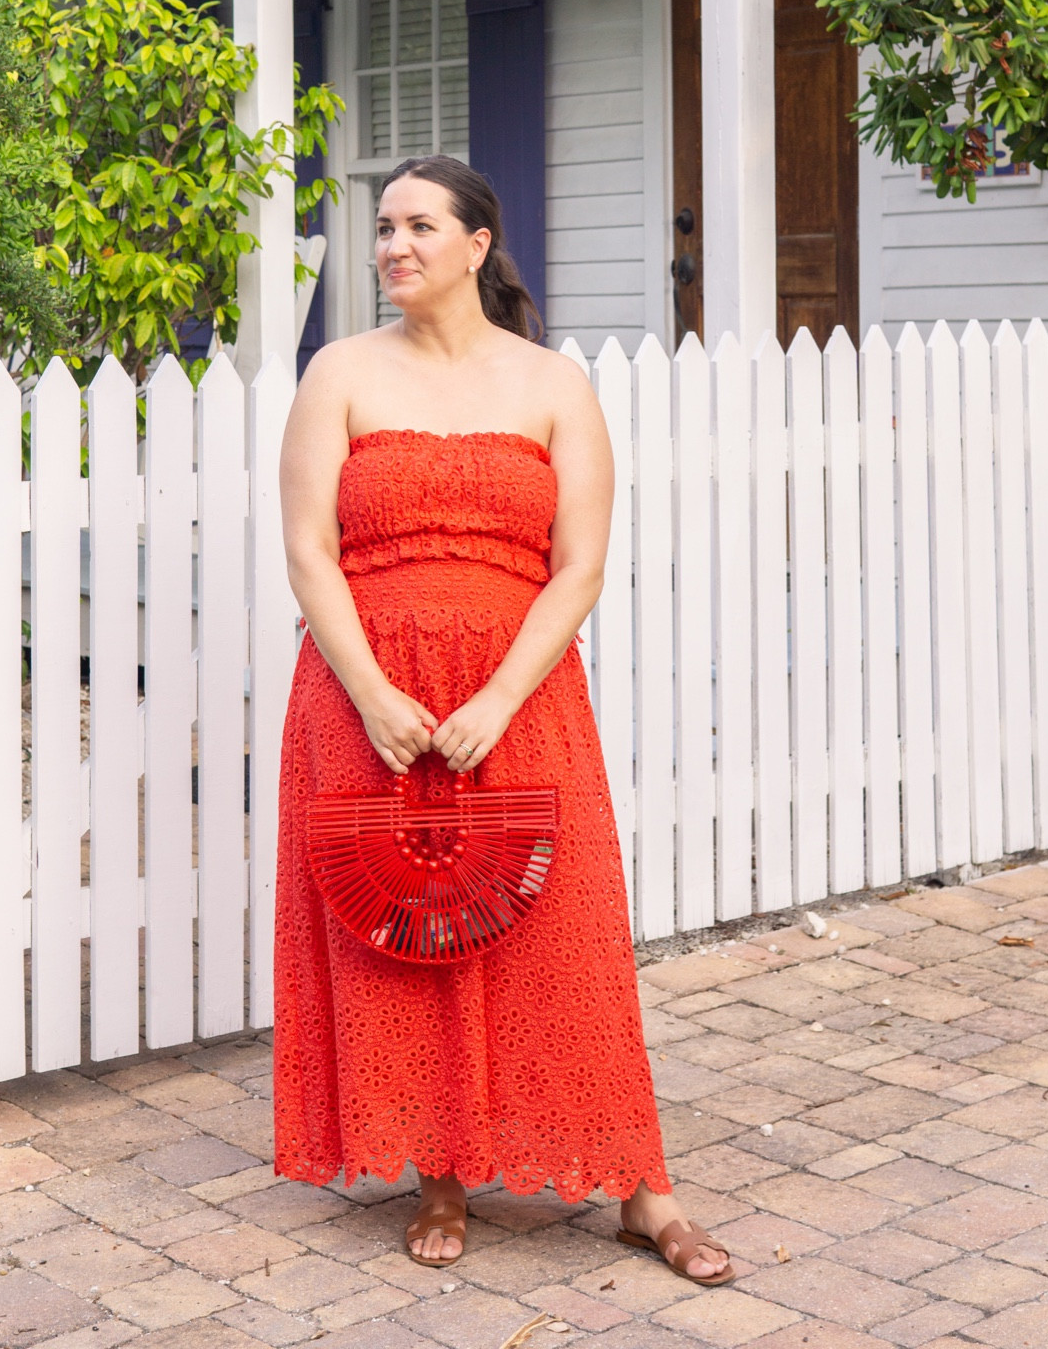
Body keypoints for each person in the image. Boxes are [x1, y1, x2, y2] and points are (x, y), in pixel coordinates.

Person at [274, 154, 733, 1284]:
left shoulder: (551, 384)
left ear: (477, 243)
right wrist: (375, 692)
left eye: (418, 226)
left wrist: (494, 695)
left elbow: (577, 564)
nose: (392, 247)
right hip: (364, 697)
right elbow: (308, 553)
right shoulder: (337, 372)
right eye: (382, 228)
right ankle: (437, 1170)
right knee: (404, 926)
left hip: (516, 693)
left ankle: (641, 1187)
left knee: (560, 933)